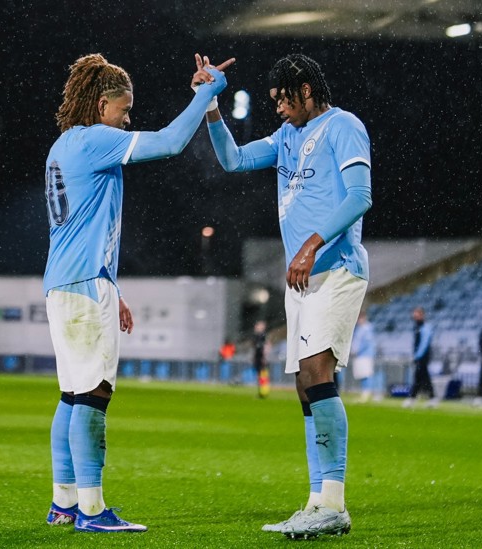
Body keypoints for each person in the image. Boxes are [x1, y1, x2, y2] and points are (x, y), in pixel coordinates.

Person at [43, 53, 233, 533]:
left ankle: (63, 504)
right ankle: (91, 510)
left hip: (65, 282)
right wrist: (206, 94)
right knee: (93, 394)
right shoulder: (95, 140)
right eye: (124, 110)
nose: (128, 119)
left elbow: (85, 226)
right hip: (85, 285)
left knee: (70, 396)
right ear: (102, 103)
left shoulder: (64, 144)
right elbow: (169, 143)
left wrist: (113, 286)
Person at [200, 52, 371, 538]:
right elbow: (232, 160)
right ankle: (318, 500)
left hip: (336, 268)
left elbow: (360, 196)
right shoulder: (285, 138)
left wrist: (311, 246)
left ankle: (334, 502)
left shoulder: (344, 127)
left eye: (283, 99)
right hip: (303, 279)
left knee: (318, 373)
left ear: (307, 91)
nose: (277, 108)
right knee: (303, 386)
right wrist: (211, 104)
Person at [403, 307, 435, 408]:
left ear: (422, 315)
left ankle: (414, 398)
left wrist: (417, 356)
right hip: (420, 356)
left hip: (423, 356)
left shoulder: (425, 327)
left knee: (419, 376)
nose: (414, 316)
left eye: (417, 314)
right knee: (423, 377)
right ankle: (431, 398)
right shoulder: (417, 327)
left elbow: (424, 344)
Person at [349, 312, 377, 402]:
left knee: (366, 374)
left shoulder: (367, 328)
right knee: (361, 374)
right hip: (359, 355)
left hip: (365, 355)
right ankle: (365, 392)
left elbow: (366, 343)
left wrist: (356, 351)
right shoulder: (359, 329)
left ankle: (368, 392)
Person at [252, 320, 271, 398]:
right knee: (260, 375)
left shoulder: (263, 336)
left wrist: (264, 357)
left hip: (261, 358)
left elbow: (267, 346)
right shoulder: (257, 336)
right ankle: (261, 391)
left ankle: (263, 392)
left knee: (263, 375)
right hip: (258, 357)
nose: (256, 327)